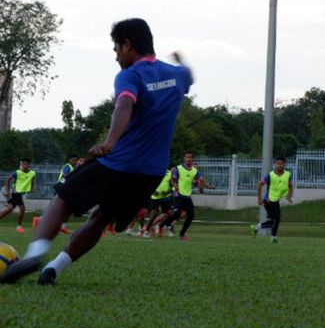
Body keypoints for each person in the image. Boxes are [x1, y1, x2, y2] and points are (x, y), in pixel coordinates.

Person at [1, 18, 193, 285]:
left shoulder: (130, 75)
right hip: (150, 173)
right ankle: (53, 269)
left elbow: (124, 105)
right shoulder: (176, 76)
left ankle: (35, 255)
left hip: (118, 163)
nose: (115, 56)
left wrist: (110, 141)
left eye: (116, 49)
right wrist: (182, 61)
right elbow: (189, 75)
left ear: (127, 45)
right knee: (100, 219)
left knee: (63, 198)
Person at [159, 152, 205, 241]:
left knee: (191, 215)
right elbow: (173, 180)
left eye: (191, 158)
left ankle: (182, 234)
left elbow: (198, 181)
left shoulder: (195, 171)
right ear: (184, 158)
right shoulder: (178, 169)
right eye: (187, 157)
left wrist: (200, 186)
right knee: (177, 213)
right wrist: (175, 185)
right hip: (177, 195)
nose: (189, 159)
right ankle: (162, 225)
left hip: (187, 195)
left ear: (193, 159)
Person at [254, 156, 294, 243]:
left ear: (284, 165)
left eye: (281, 164)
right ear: (275, 164)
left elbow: (290, 186)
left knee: (276, 220)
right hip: (268, 200)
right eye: (278, 163)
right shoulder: (270, 175)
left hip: (276, 201)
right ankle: (263, 230)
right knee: (275, 220)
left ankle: (270, 235)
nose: (280, 165)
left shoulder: (288, 175)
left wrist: (289, 196)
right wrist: (259, 198)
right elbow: (260, 184)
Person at [0, 158, 37, 233]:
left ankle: (18, 226)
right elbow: (8, 179)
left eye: (26, 163)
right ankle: (19, 226)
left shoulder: (32, 173)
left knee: (8, 210)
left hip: (21, 193)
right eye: (23, 163)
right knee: (22, 208)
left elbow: (32, 180)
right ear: (21, 164)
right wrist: (7, 191)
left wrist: (33, 188)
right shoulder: (17, 172)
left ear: (29, 165)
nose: (25, 165)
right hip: (16, 193)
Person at [144, 170, 174, 237]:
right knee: (154, 214)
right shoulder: (154, 171)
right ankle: (146, 231)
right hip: (155, 197)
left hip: (165, 197)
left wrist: (167, 192)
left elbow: (173, 186)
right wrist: (153, 191)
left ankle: (162, 226)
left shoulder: (169, 173)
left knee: (171, 213)